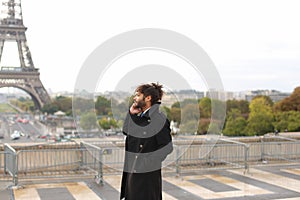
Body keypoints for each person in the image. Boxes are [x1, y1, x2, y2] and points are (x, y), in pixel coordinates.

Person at [120, 83, 173, 200]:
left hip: (146, 177)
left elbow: (167, 147)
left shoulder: (159, 119)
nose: (135, 98)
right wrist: (131, 114)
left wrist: (145, 163)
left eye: (138, 95)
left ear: (148, 98)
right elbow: (126, 131)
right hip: (132, 172)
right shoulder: (140, 117)